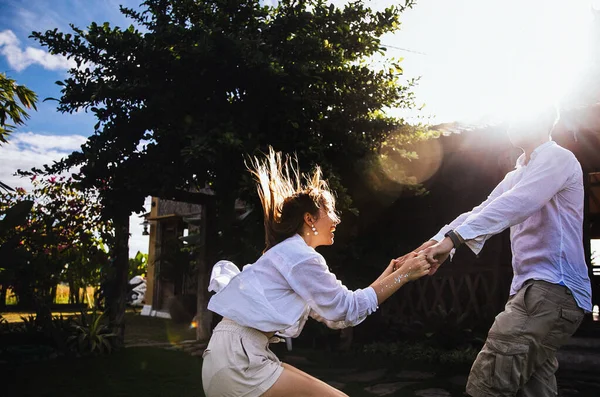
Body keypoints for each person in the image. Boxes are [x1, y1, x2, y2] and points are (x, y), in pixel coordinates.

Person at [201, 148, 431, 397]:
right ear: (310, 218)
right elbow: (347, 308)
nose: (337, 220)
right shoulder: (300, 257)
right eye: (331, 211)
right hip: (239, 362)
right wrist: (403, 276)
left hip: (235, 354)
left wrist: (391, 274)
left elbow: (337, 317)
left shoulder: (290, 254)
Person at [417, 107, 592, 397]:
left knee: (486, 386)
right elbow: (482, 210)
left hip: (552, 289)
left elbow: (519, 202)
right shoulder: (518, 173)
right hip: (534, 292)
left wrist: (454, 239)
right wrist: (435, 242)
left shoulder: (558, 159)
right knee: (534, 389)